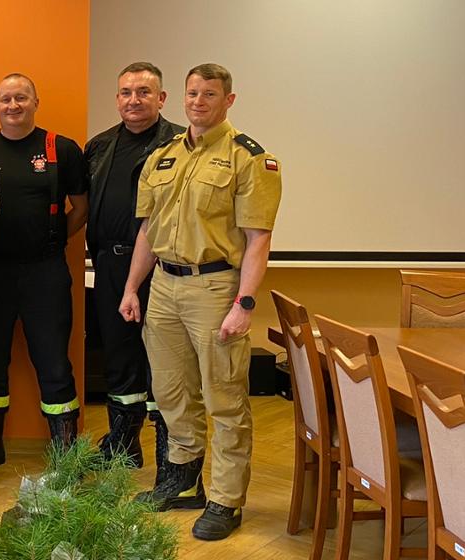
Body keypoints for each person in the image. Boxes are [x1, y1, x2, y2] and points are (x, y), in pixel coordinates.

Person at [119, 63, 282, 541]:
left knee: (224, 400)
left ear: (228, 100)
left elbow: (258, 239)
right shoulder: (163, 155)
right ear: (181, 98)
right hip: (164, 286)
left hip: (214, 289)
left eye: (209, 94)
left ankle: (226, 500)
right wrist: (131, 287)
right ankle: (183, 482)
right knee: (171, 393)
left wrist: (244, 304)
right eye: (192, 93)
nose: (199, 102)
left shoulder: (249, 159)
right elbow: (148, 231)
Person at [0, 73, 85, 466]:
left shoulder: (62, 149)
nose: (13, 106)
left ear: (36, 102)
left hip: (45, 272)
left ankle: (66, 454)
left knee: (54, 362)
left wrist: (53, 239)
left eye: (21, 98)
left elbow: (81, 208)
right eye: (6, 99)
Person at [83, 62, 185, 474]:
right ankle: (123, 448)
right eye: (126, 92)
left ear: (161, 98)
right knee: (119, 357)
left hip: (163, 269)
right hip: (110, 265)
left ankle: (170, 455)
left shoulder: (182, 144)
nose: (134, 100)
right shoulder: (99, 146)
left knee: (163, 361)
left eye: (144, 92)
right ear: (117, 98)